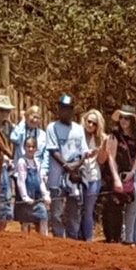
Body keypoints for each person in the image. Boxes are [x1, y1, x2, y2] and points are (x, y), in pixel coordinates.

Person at [44, 94, 89, 238]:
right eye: (62, 108)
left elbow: (84, 151)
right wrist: (66, 165)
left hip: (74, 176)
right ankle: (59, 237)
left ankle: (73, 237)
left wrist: (76, 165)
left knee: (74, 210)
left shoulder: (78, 129)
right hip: (57, 176)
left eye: (68, 108)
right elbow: (53, 150)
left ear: (72, 110)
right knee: (56, 212)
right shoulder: (52, 127)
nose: (65, 111)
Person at [66, 109, 107, 241]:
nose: (90, 125)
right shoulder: (77, 135)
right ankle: (74, 237)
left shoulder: (101, 138)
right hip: (78, 177)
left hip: (93, 177)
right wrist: (85, 155)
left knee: (88, 211)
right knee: (75, 209)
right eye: (89, 121)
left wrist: (102, 149)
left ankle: (88, 239)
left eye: (94, 123)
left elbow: (101, 161)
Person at [107, 105, 136, 244]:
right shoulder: (114, 134)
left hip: (130, 174)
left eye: (127, 118)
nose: (123, 121)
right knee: (115, 207)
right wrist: (116, 178)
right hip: (115, 173)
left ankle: (127, 238)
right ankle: (113, 239)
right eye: (121, 118)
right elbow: (111, 157)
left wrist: (133, 171)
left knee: (130, 206)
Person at [14, 137, 50, 234]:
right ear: (24, 147)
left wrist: (45, 195)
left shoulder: (37, 162)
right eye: (28, 146)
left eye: (33, 147)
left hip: (37, 198)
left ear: (36, 148)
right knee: (25, 223)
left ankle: (45, 240)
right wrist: (25, 197)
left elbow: (40, 181)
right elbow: (21, 181)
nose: (30, 149)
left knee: (43, 216)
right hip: (26, 200)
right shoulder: (22, 162)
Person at [0, 95, 16, 231]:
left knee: (6, 197)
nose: (6, 114)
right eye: (2, 110)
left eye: (7, 111)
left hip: (5, 166)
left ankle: (2, 227)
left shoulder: (9, 126)